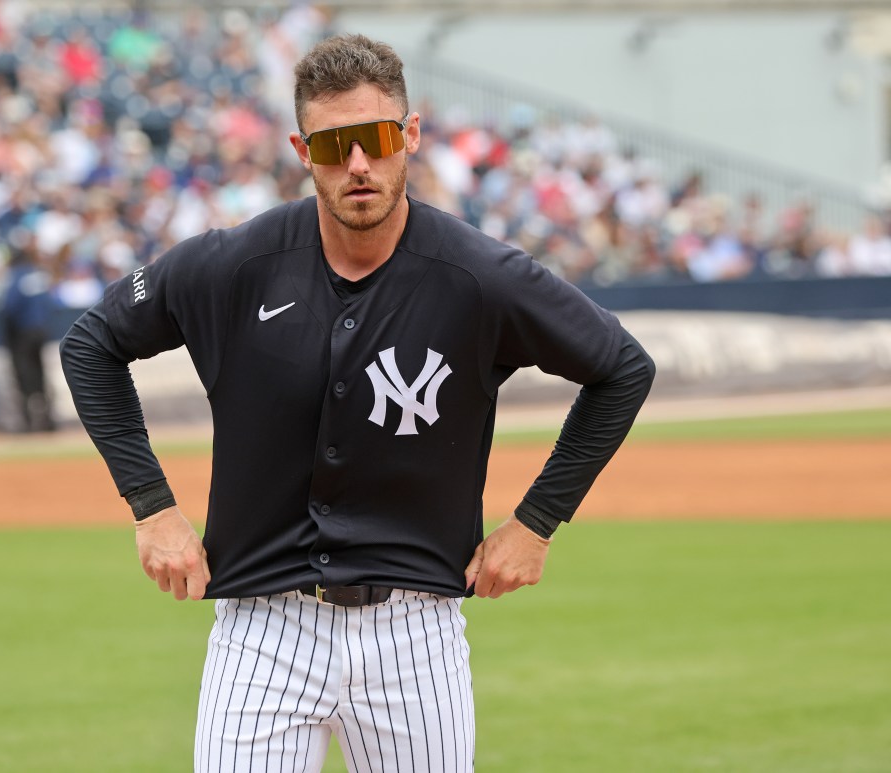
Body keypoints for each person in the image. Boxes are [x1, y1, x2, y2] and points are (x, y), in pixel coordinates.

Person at [59, 33, 654, 772]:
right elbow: (91, 343)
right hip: (263, 628)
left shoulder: (481, 276)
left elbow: (622, 367)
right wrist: (150, 503)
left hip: (416, 632)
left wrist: (536, 522)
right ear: (302, 151)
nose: (359, 165)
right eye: (334, 145)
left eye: (375, 139)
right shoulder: (234, 264)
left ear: (409, 135)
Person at [2, 244, 56, 432]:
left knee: (24, 376)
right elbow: (50, 303)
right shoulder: (38, 275)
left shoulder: (18, 275)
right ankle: (48, 420)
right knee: (41, 374)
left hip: (23, 333)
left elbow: (10, 306)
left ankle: (27, 422)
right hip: (41, 331)